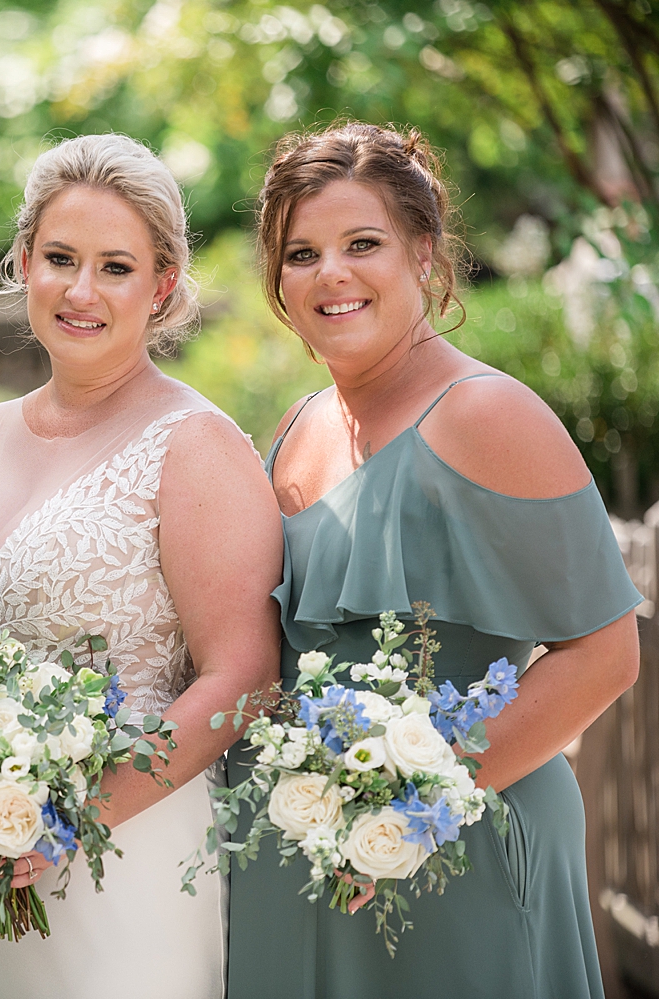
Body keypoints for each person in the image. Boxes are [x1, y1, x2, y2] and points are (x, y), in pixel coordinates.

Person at [227, 121, 641, 998]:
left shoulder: (487, 416)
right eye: (301, 253)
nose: (330, 273)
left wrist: (405, 811)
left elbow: (605, 654)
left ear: (423, 252)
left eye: (361, 243)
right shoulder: (298, 426)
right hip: (313, 853)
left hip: (462, 850)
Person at [0, 132, 283, 998]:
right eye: (60, 258)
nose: (81, 291)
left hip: (124, 862)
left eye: (115, 266)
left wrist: (69, 818)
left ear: (161, 285)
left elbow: (243, 677)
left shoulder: (195, 447)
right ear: (23, 261)